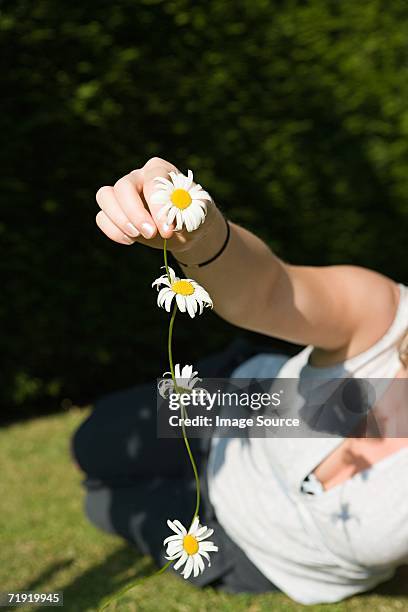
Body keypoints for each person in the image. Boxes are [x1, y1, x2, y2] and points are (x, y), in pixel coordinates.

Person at [72, 157, 408, 605]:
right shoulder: (386, 317)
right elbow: (269, 290)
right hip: (229, 407)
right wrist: (200, 233)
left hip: (243, 549)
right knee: (89, 444)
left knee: (97, 507)